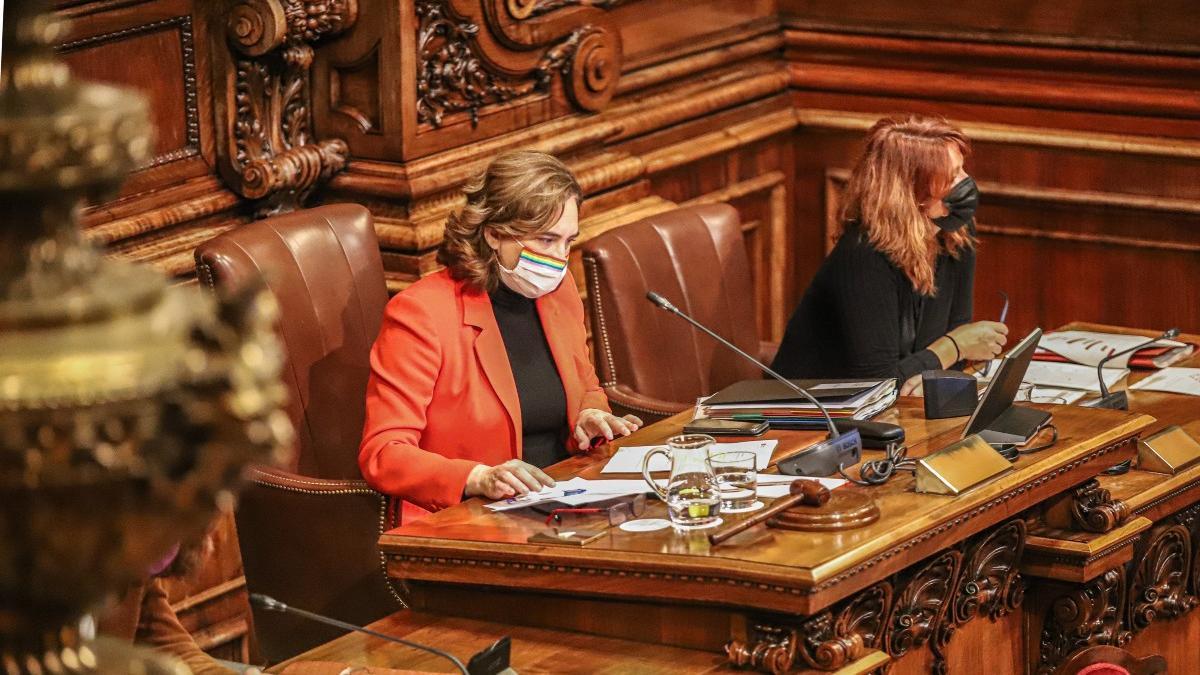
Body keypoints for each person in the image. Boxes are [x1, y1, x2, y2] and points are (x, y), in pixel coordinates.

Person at [359, 150, 641, 522]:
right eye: (545, 240)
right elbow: (383, 452)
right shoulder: (421, 313)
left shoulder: (558, 293)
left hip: (564, 500)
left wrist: (589, 415)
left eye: (568, 241)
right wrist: (477, 477)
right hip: (466, 517)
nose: (559, 258)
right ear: (493, 233)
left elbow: (584, 385)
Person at [771, 115, 1008, 395]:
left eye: (963, 170)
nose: (967, 182)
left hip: (895, 412)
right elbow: (875, 383)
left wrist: (946, 356)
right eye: (954, 175)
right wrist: (954, 347)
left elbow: (950, 348)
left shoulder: (957, 233)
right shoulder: (864, 255)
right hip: (811, 414)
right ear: (913, 191)